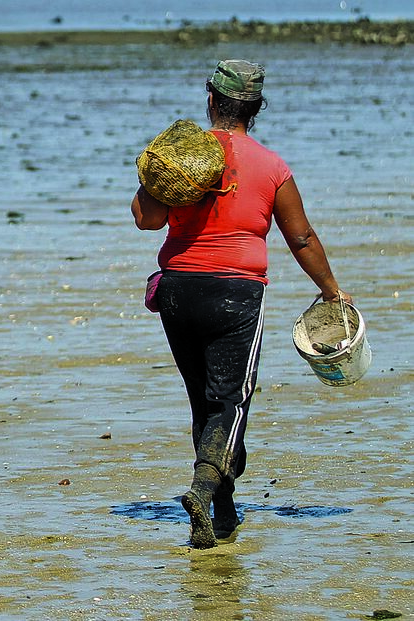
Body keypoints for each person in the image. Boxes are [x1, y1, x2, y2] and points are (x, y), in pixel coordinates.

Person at [131, 59, 353, 548]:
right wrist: (331, 290)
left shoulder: (182, 161)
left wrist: (157, 177)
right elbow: (301, 237)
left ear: (211, 100)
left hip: (177, 289)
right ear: (255, 109)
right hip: (235, 294)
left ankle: (222, 511)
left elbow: (145, 220)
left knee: (204, 403)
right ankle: (202, 487)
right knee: (231, 403)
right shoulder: (272, 167)